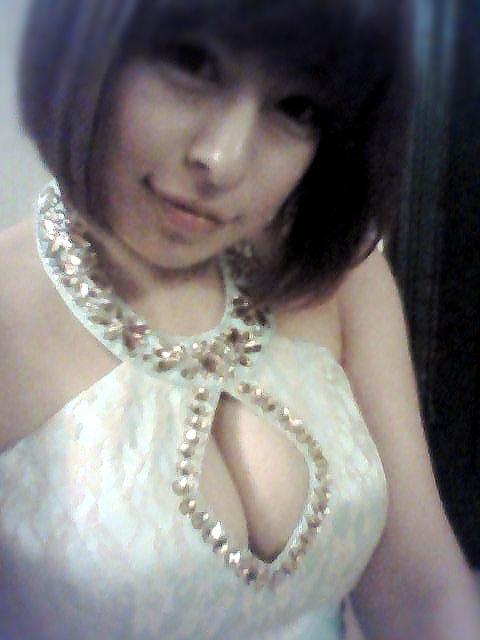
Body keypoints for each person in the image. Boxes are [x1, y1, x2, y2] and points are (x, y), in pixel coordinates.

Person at [0, 1, 478, 638]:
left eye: (297, 108)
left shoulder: (341, 275)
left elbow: (419, 589)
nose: (222, 160)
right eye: (191, 63)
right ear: (88, 45)